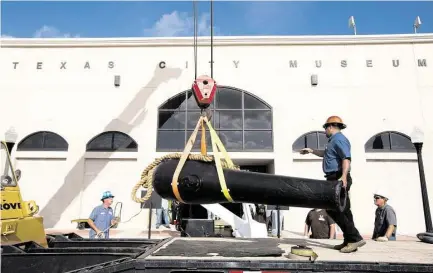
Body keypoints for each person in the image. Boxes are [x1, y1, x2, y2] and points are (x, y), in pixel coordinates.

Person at [300, 116, 366, 253]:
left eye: (325, 128)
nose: (325, 131)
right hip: (335, 178)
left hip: (337, 177)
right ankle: (350, 241)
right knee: (345, 211)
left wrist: (343, 177)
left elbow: (346, 158)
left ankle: (354, 238)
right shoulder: (333, 141)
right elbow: (326, 154)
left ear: (330, 127)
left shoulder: (339, 139)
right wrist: (312, 151)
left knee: (331, 208)